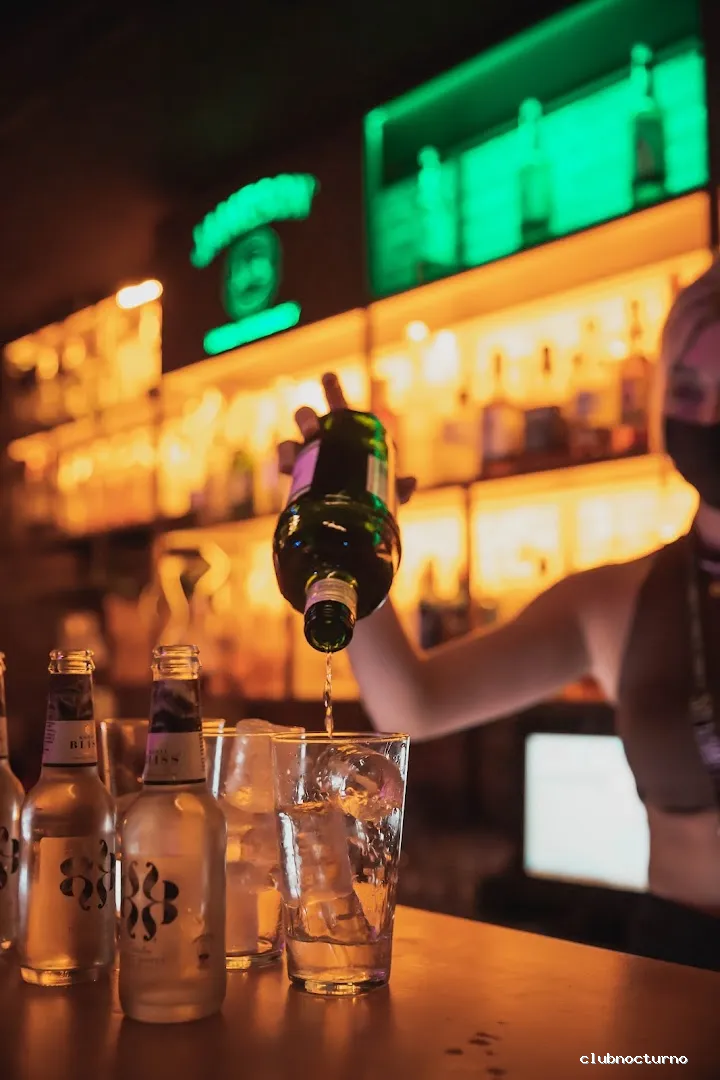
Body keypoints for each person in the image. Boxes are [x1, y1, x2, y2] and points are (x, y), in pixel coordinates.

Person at [279, 260, 720, 971]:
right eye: (692, 388)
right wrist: (351, 529)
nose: (711, 415)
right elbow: (412, 703)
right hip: (681, 971)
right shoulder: (619, 603)